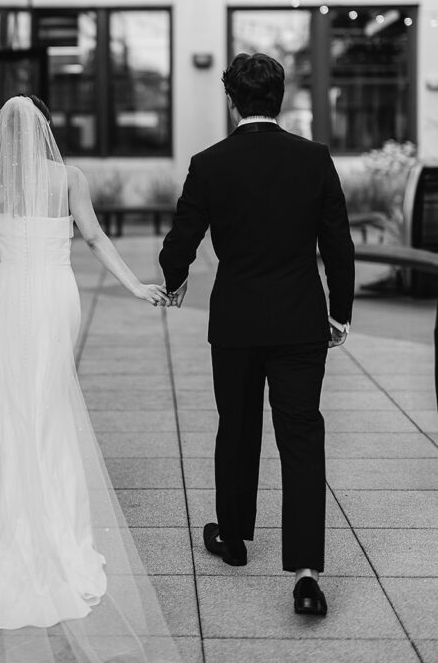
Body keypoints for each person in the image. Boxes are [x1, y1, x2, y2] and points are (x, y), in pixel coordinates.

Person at [0, 95, 179, 659]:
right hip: (53, 296)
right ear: (47, 131)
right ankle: (51, 509)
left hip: (7, 297)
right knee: (48, 400)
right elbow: (95, 239)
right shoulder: (70, 176)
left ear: (6, 137)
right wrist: (136, 285)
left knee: (5, 399)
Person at [159, 53, 355, 617]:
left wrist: (172, 284)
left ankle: (235, 538)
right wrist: (338, 314)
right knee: (301, 438)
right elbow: (336, 246)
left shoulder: (210, 163)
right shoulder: (314, 159)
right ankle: (306, 573)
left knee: (238, 427)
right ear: (280, 97)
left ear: (232, 101)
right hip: (299, 320)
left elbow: (181, 242)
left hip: (238, 321)